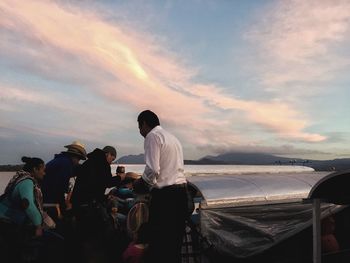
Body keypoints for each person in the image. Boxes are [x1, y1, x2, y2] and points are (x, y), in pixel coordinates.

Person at [133, 110, 191, 263]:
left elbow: (153, 169)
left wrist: (140, 184)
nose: (140, 132)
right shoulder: (173, 139)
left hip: (166, 198)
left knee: (160, 243)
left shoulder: (152, 136)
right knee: (174, 243)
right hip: (182, 195)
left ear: (144, 123)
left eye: (139, 127)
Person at [71, 145, 126, 262]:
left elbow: (94, 184)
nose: (111, 163)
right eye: (112, 159)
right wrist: (119, 178)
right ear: (108, 154)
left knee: (82, 234)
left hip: (78, 202)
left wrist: (104, 196)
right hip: (88, 205)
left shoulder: (90, 162)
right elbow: (106, 182)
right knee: (101, 230)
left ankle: (78, 256)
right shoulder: (102, 163)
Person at [0, 156, 59, 262]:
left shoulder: (20, 177)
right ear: (35, 169)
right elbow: (28, 205)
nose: (44, 173)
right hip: (7, 221)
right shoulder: (27, 182)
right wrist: (38, 226)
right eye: (43, 170)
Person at [41, 141, 87, 217]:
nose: (78, 161)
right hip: (49, 199)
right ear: (74, 156)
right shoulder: (66, 164)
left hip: (45, 197)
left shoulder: (61, 160)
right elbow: (60, 188)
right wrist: (63, 207)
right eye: (79, 159)